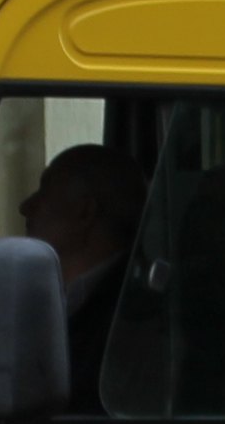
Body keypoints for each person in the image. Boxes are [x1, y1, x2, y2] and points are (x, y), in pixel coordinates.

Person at [16, 141, 144, 398]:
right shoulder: (69, 298)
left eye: (44, 190)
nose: (25, 207)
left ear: (85, 211)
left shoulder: (134, 317)